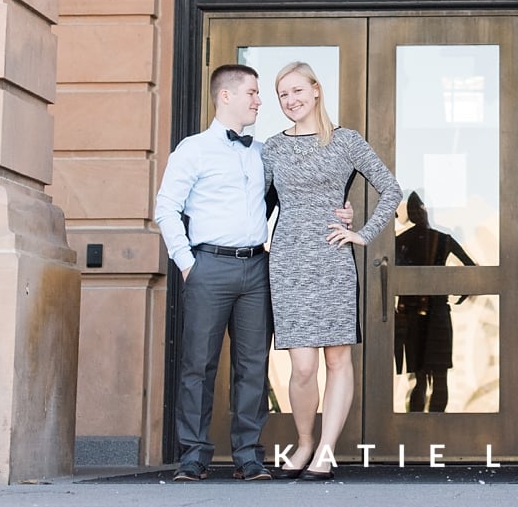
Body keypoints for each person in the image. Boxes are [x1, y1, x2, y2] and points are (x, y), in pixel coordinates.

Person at [154, 63, 353, 483]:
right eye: (253, 93)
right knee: (198, 365)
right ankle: (194, 454)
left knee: (252, 366)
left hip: (258, 267)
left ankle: (248, 455)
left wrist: (343, 211)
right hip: (207, 265)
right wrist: (188, 264)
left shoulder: (267, 151)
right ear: (226, 96)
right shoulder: (192, 150)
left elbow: (303, 198)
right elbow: (166, 208)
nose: (261, 101)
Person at [262, 61, 402, 480]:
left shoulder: (346, 141)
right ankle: (304, 442)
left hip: (331, 260)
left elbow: (391, 189)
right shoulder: (272, 147)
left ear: (316, 90)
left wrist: (362, 233)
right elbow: (260, 203)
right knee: (301, 366)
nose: (291, 100)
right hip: (287, 262)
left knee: (337, 359)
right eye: (283, 95)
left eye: (297, 91)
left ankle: (325, 450)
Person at [394, 191, 476, 412]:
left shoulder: (401, 241)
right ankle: (435, 426)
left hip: (411, 313)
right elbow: (472, 270)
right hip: (437, 311)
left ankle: (418, 429)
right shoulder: (442, 239)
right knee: (438, 378)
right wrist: (460, 292)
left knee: (420, 379)